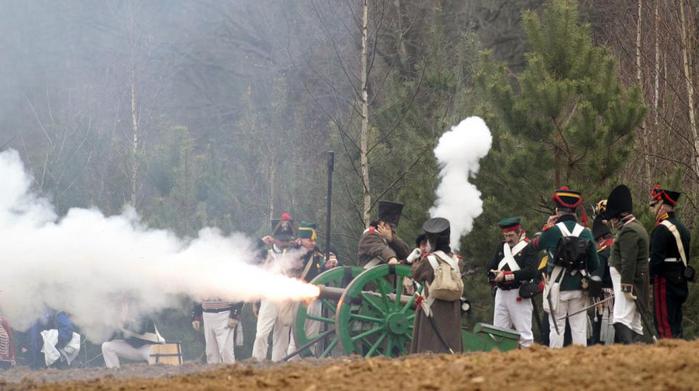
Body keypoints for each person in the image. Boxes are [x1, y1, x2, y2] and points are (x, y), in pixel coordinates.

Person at [531, 186, 601, 348]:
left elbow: (535, 246)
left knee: (557, 329)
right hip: (580, 288)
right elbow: (595, 264)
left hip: (558, 287)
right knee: (579, 330)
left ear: (557, 210)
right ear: (574, 210)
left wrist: (545, 228)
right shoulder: (586, 233)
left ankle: (557, 366)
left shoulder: (552, 231)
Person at [602, 185, 650, 343]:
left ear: (619, 216)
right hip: (630, 279)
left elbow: (628, 261)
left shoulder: (629, 231)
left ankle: (630, 355)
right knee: (634, 322)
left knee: (621, 319)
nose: (613, 222)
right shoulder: (634, 227)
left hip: (628, 280)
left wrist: (626, 286)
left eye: (613, 218)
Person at [410, 217, 463, 354]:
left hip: (433, 307)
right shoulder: (457, 260)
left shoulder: (429, 261)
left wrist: (417, 259)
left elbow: (416, 274)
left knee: (429, 344)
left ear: (431, 242)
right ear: (448, 240)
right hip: (453, 309)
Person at [252, 212, 297, 361]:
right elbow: (249, 252)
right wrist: (261, 242)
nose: (284, 242)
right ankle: (257, 363)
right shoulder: (265, 253)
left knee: (282, 340)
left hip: (286, 300)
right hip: (269, 297)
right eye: (281, 239)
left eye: (287, 239)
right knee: (261, 334)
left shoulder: (295, 252)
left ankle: (277, 366)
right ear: (274, 239)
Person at [486, 217, 538, 347]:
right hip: (501, 293)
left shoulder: (529, 247)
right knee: (498, 333)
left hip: (518, 293)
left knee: (524, 334)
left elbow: (530, 271)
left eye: (511, 235)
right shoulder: (501, 247)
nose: (508, 239)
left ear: (519, 232)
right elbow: (491, 265)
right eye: (506, 235)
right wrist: (493, 275)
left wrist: (506, 276)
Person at [649, 184, 691, 338]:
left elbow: (656, 261)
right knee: (676, 326)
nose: (652, 209)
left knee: (664, 326)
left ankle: (666, 359)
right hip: (680, 281)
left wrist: (649, 278)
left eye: (654, 205)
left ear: (661, 206)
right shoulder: (682, 228)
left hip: (664, 282)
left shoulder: (662, 229)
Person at [101, 300, 165, 369]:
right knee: (106, 346)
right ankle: (113, 373)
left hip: (150, 347)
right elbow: (110, 338)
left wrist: (124, 321)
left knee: (158, 369)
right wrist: (110, 324)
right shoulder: (118, 317)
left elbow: (141, 330)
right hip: (133, 348)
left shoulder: (142, 311)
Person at [357, 201, 410, 268]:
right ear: (382, 224)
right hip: (372, 277)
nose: (392, 229)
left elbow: (407, 253)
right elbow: (379, 248)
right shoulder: (369, 235)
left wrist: (391, 239)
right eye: (390, 226)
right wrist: (391, 257)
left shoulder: (389, 239)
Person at [589, 213, 615, 345]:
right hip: (619, 296)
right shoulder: (616, 246)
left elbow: (596, 279)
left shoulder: (602, 252)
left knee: (599, 334)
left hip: (604, 299)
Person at [191, 298, 243, 364]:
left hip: (226, 314)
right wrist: (196, 315)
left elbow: (238, 292)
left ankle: (230, 372)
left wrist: (234, 315)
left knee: (226, 351)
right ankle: (214, 372)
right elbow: (198, 292)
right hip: (207, 314)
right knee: (211, 351)